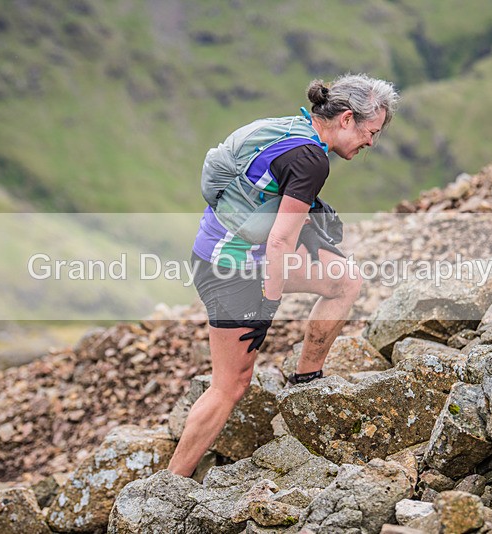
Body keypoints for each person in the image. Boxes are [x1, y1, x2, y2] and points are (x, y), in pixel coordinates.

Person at [168, 73, 399, 477]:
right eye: (370, 132)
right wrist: (267, 307)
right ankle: (170, 483)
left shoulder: (292, 127)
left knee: (344, 280)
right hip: (231, 267)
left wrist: (310, 232)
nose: (371, 144)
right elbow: (278, 244)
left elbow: (268, 192)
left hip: (228, 253)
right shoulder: (312, 160)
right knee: (232, 385)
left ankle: (306, 381)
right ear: (346, 119)